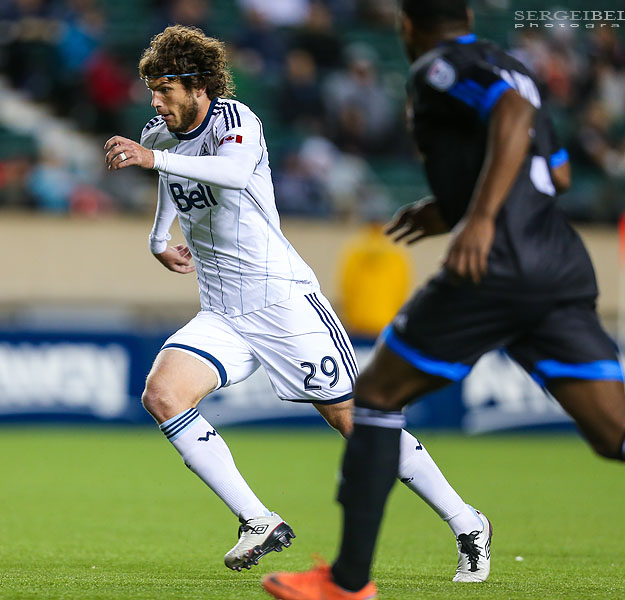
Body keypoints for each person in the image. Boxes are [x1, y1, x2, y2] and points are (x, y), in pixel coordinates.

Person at [263, 2, 625, 598]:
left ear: (408, 25)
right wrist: (452, 208)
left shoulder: (439, 67)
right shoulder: (514, 66)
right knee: (618, 429)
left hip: (497, 266)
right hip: (557, 265)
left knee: (378, 396)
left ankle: (347, 582)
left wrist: (482, 218)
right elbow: (558, 175)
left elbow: (510, 116)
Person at [103, 25, 492, 578]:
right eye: (152, 90)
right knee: (163, 394)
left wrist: (152, 159)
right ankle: (257, 520)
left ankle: (467, 521)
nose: (155, 101)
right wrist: (157, 237)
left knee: (356, 422)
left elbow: (233, 174)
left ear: (197, 86)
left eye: (165, 89)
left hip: (282, 301)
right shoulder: (160, 134)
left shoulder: (236, 121)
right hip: (222, 310)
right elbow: (170, 181)